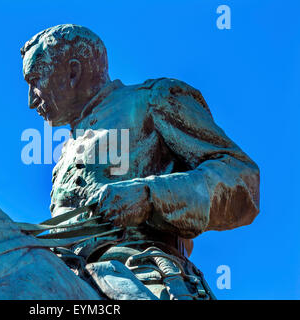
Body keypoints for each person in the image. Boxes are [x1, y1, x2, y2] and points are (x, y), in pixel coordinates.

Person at [21, 24, 260, 300]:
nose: (30, 100)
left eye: (35, 80)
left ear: (73, 72)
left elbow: (243, 180)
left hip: (146, 277)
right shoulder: (66, 152)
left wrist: (150, 196)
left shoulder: (153, 99)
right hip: (65, 283)